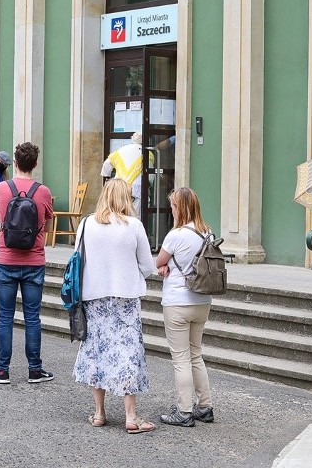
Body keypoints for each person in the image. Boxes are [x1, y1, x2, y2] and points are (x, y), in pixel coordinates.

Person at [72, 178, 156, 434]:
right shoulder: (134, 226)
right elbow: (148, 267)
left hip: (93, 297)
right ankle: (131, 416)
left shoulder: (86, 224)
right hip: (125, 299)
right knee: (126, 352)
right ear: (126, 198)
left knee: (96, 351)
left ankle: (99, 413)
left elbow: (77, 258)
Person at [0, 142, 54, 384]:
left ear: (15, 163)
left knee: (5, 317)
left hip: (5, 258)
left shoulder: (3, 188)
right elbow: (46, 222)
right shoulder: (43, 191)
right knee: (32, 317)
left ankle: (2, 370)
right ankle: (35, 369)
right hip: (34, 260)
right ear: (35, 164)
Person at [154, 187, 215, 427]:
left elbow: (158, 261)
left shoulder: (175, 234)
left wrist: (165, 265)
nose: (171, 208)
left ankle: (184, 410)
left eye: (173, 205)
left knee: (181, 359)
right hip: (202, 301)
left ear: (180, 208)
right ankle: (205, 406)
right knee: (196, 354)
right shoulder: (207, 232)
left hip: (178, 302)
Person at [100, 132, 149, 218]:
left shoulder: (122, 150)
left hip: (120, 186)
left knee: (118, 212)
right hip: (137, 188)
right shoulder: (147, 153)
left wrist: (107, 178)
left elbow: (107, 164)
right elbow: (150, 175)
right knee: (135, 215)